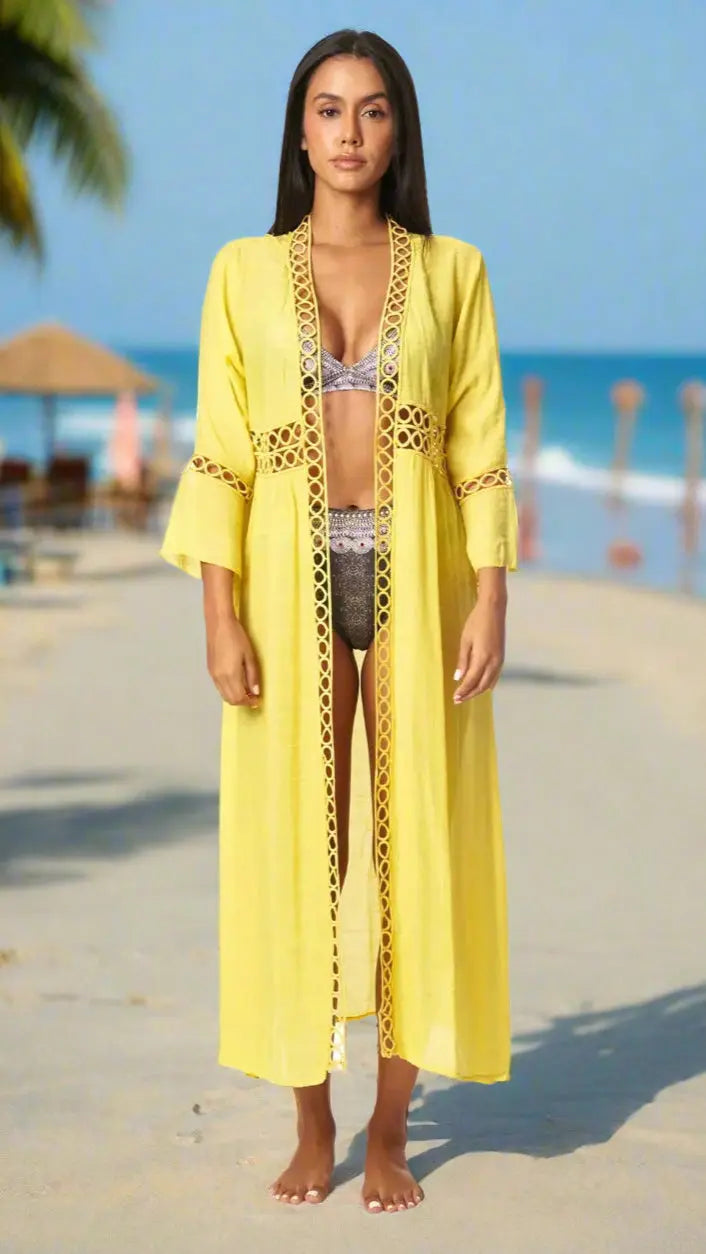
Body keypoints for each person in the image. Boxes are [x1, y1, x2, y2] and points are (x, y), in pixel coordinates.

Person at [160, 27, 518, 1215]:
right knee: (297, 850)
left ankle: (389, 1129)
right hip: (280, 581)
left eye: (371, 111)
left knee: (413, 846)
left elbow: (477, 450)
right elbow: (220, 455)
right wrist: (219, 614)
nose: (350, 132)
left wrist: (493, 595)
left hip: (421, 584)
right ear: (297, 129)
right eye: (328, 110)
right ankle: (310, 1118)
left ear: (398, 130)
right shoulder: (241, 272)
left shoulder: (455, 270)